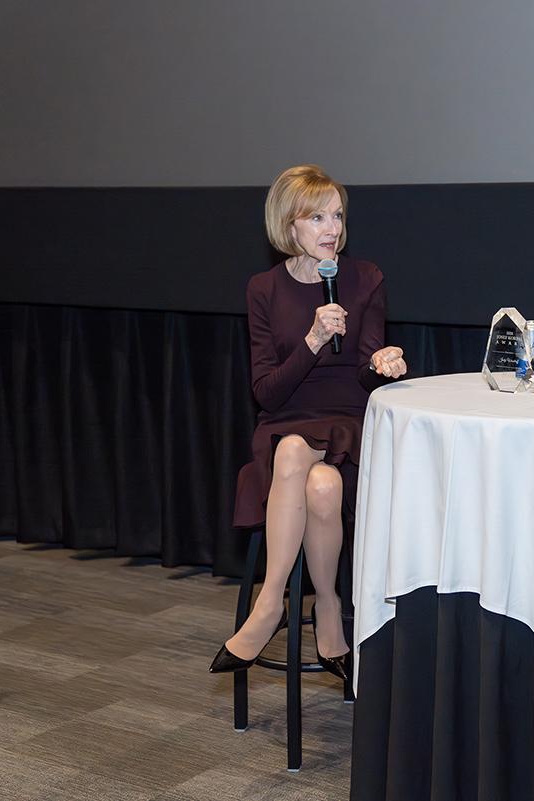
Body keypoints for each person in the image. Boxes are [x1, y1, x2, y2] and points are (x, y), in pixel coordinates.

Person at [210, 164, 407, 678]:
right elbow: (265, 393)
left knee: (304, 459)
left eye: (337, 215)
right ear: (288, 226)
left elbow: (365, 374)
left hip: (347, 422)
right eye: (316, 217)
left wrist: (382, 365)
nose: (332, 229)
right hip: (285, 420)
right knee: (312, 476)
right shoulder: (263, 289)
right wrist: (313, 342)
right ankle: (323, 604)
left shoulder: (366, 278)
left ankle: (268, 602)